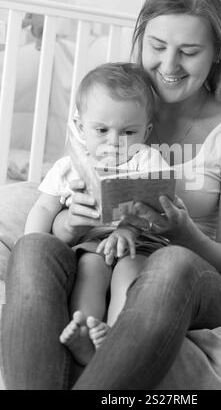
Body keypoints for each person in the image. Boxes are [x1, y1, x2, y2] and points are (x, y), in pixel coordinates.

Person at [1, 0, 221, 390]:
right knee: (34, 248)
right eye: (158, 45)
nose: (169, 64)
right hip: (98, 250)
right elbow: (58, 207)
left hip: (188, 278)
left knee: (170, 262)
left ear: (217, 52)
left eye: (189, 51)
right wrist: (70, 223)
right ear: (140, 37)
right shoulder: (110, 107)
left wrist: (184, 233)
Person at [24, 62, 170, 366]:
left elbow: (159, 200)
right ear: (80, 127)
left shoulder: (147, 159)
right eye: (101, 130)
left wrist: (128, 229)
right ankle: (85, 331)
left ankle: (116, 339)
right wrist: (32, 243)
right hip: (93, 244)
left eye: (128, 132)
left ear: (147, 131)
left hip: (139, 244)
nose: (114, 141)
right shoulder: (69, 166)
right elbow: (45, 206)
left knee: (128, 277)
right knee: (91, 271)